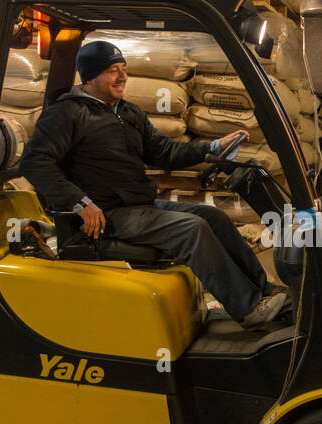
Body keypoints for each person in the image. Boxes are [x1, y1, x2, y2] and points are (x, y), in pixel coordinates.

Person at [20, 40, 288, 328]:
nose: (122, 77)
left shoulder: (128, 113)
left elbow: (165, 152)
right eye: (113, 70)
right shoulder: (68, 114)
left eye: (123, 69)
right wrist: (80, 203)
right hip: (105, 214)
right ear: (90, 77)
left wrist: (211, 147)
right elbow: (35, 162)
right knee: (192, 230)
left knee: (215, 217)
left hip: (138, 206)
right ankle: (247, 309)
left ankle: (264, 292)